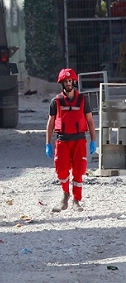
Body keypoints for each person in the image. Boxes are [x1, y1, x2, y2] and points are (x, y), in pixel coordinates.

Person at [46, 68, 97, 212]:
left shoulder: (82, 99)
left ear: (74, 82)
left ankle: (76, 200)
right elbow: (50, 123)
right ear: (61, 83)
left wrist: (93, 140)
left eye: (70, 80)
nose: (68, 83)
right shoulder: (55, 101)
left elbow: (90, 121)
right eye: (65, 81)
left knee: (78, 171)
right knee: (61, 170)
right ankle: (65, 195)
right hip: (62, 140)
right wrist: (47, 143)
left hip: (79, 140)